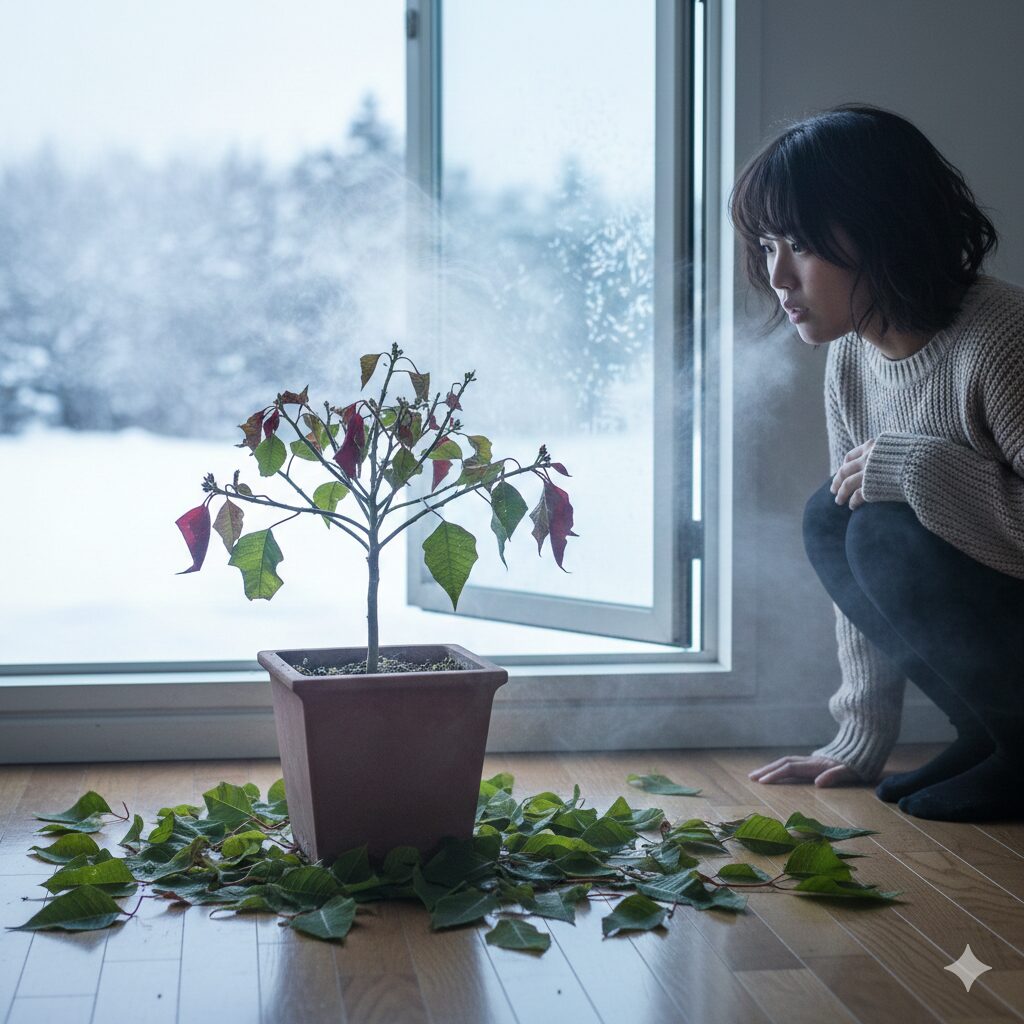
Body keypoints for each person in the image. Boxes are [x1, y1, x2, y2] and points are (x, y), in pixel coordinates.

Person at [728, 104, 1024, 822]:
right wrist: (860, 736)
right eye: (768, 245)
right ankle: (991, 737)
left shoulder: (1001, 341)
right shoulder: (853, 358)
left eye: (799, 244)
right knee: (836, 515)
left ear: (884, 228)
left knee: (879, 522)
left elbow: (907, 503)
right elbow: (859, 529)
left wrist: (926, 473)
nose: (777, 276)